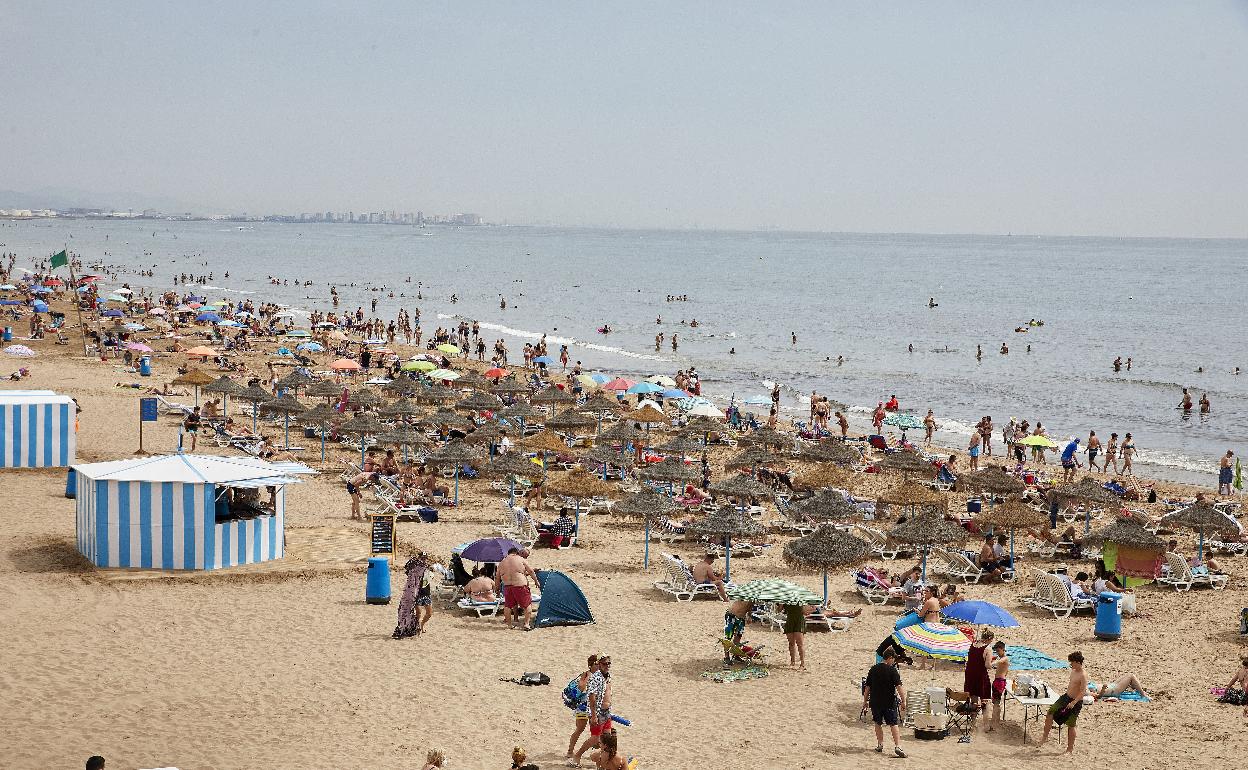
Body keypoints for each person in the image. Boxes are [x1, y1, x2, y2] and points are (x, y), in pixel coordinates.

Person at [1038, 651, 1088, 754]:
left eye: (1072, 662)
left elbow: (1083, 691)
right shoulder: (1073, 671)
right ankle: (1045, 737)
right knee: (1050, 712)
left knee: (1071, 725)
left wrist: (1074, 702)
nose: (1070, 664)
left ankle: (1069, 749)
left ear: (1078, 662)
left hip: (1075, 702)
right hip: (1065, 697)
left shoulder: (1083, 675)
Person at [862, 648, 907, 757]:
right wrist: (903, 701)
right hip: (889, 701)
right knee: (893, 724)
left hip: (875, 701)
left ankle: (880, 744)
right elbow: (899, 687)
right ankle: (898, 746)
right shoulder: (892, 671)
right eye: (893, 659)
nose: (894, 662)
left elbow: (867, 687)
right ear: (890, 658)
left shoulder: (873, 669)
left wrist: (865, 701)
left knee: (878, 723)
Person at [571, 655, 613, 766]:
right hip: (598, 713)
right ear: (599, 664)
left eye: (609, 663)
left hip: (606, 712)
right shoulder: (595, 677)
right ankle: (577, 755)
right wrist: (593, 715)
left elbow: (607, 694)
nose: (607, 666)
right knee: (595, 738)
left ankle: (602, 761)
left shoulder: (608, 676)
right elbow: (591, 697)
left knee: (607, 739)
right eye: (604, 663)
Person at [496, 547, 539, 630]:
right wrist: (536, 581)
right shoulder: (520, 559)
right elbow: (530, 571)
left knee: (508, 606)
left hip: (508, 586)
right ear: (516, 553)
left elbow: (497, 578)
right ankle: (526, 624)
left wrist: (497, 588)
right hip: (520, 586)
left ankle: (509, 625)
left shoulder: (501, 563)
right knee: (527, 605)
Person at [566, 655, 600, 759]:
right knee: (580, 729)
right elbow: (581, 687)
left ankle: (596, 746)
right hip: (583, 706)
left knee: (596, 730)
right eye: (596, 664)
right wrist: (588, 680)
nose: (598, 665)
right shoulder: (586, 674)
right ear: (591, 665)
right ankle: (570, 751)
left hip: (594, 706)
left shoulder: (600, 675)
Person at [964, 629, 994, 710]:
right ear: (989, 639)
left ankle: (973, 721)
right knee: (985, 701)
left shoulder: (973, 644)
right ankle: (985, 722)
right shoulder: (988, 649)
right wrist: (994, 664)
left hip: (970, 674)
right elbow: (987, 665)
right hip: (980, 675)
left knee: (974, 700)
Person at [986, 640, 1009, 731]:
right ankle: (996, 721)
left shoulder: (1005, 658)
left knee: (996, 703)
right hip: (997, 681)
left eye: (999, 651)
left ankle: (993, 723)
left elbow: (999, 661)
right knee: (995, 702)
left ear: (1003, 649)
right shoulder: (1000, 658)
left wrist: (990, 664)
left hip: (1000, 682)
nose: (998, 653)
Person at [783, 602, 809, 669]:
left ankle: (802, 663)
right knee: (791, 643)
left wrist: (806, 609)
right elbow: (779, 610)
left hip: (799, 621)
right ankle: (792, 661)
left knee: (800, 644)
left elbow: (806, 611)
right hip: (790, 620)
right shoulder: (786, 599)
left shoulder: (801, 599)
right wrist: (780, 604)